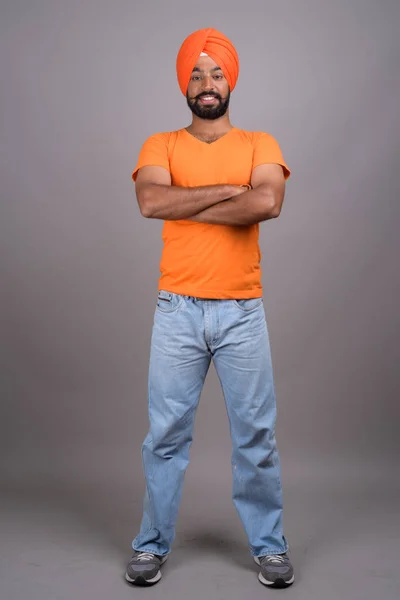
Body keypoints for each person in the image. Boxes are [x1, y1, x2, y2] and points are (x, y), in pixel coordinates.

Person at [125, 27, 294, 589]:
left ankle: (270, 549)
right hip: (177, 311)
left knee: (256, 438)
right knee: (165, 437)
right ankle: (150, 545)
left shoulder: (260, 143)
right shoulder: (160, 145)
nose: (206, 83)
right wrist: (228, 191)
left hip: (243, 312)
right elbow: (151, 200)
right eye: (196, 73)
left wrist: (188, 199)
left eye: (216, 72)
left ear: (231, 80)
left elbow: (267, 201)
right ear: (184, 83)